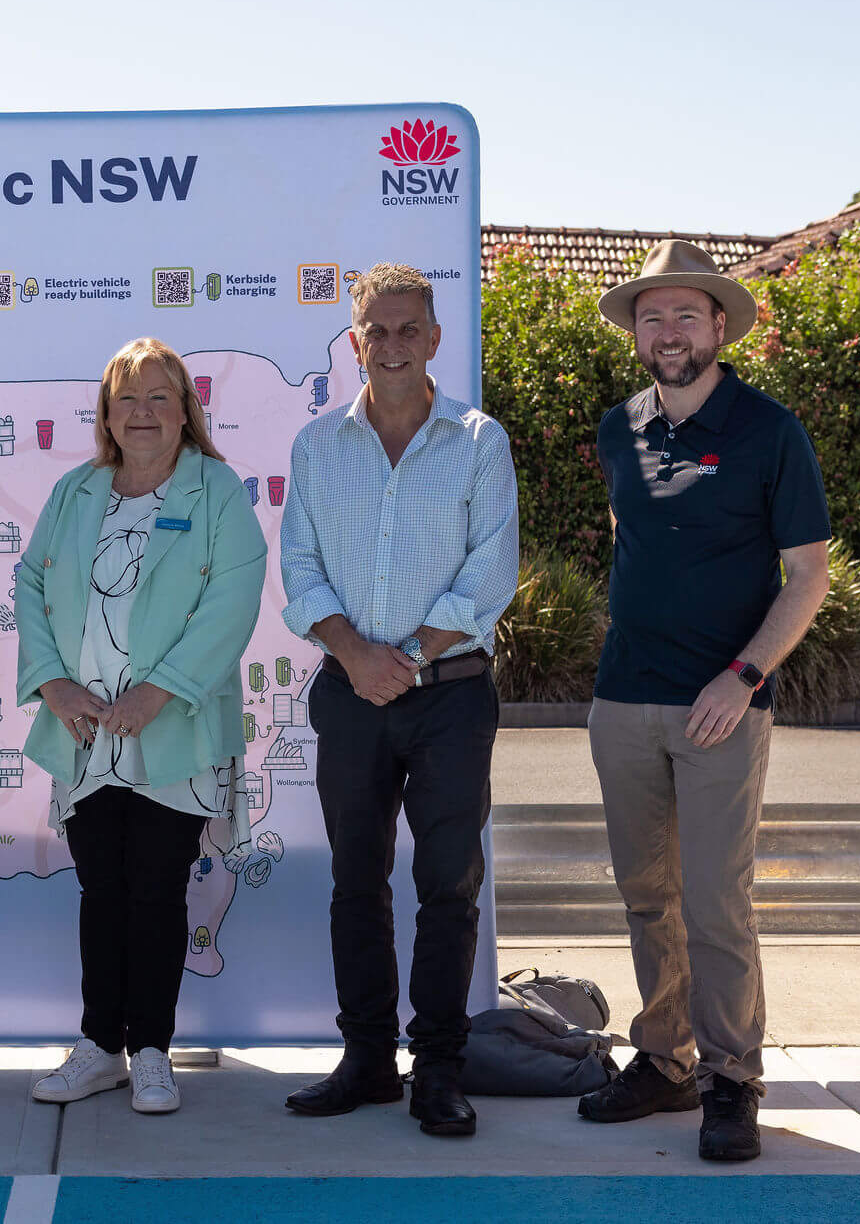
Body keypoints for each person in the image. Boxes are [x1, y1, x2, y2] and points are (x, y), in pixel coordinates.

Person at [577, 239, 830, 1163]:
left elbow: (807, 577)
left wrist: (745, 676)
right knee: (648, 895)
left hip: (724, 704)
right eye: (653, 315)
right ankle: (665, 1059)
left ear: (720, 325)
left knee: (716, 900)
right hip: (624, 698)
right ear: (636, 332)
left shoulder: (770, 430)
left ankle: (733, 1078)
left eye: (687, 313)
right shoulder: (618, 429)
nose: (669, 329)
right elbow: (630, 542)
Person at [278, 262, 518, 1138]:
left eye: (407, 329)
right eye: (375, 331)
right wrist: (354, 653)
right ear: (354, 342)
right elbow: (298, 569)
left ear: (435, 340)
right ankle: (369, 1060)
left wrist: (407, 659)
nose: (391, 345)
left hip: (450, 697)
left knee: (449, 884)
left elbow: (489, 574)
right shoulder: (316, 446)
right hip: (349, 694)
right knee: (355, 881)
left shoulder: (479, 440)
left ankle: (440, 1072)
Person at [16, 338, 266, 1115]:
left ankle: (152, 1049)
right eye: (128, 400)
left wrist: (159, 693)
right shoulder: (75, 492)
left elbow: (233, 600)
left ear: (186, 410)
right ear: (106, 415)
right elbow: (29, 583)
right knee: (101, 888)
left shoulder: (216, 491)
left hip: (174, 730)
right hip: (86, 738)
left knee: (157, 890)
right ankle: (99, 1047)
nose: (143, 413)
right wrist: (52, 682)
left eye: (160, 398)